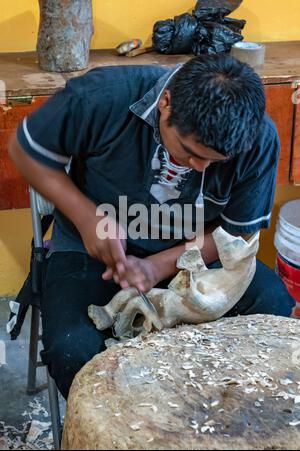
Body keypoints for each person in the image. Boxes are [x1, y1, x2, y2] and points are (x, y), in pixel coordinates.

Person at [9, 55, 295, 399]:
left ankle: (207, 419)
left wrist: (158, 265)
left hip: (195, 253)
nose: (200, 168)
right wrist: (87, 218)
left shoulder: (258, 138)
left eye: (214, 161)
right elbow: (25, 150)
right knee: (74, 353)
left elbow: (236, 236)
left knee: (273, 314)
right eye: (189, 152)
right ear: (165, 103)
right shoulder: (102, 97)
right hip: (92, 248)